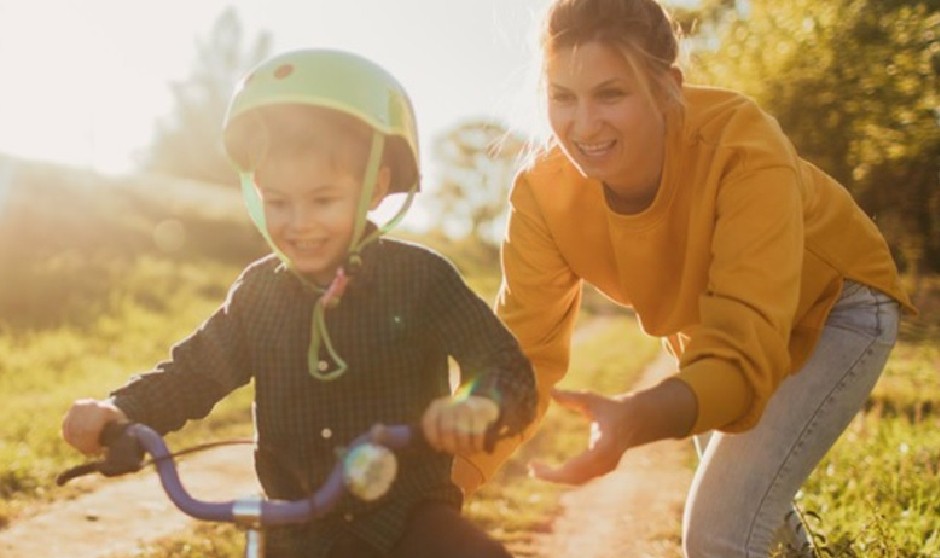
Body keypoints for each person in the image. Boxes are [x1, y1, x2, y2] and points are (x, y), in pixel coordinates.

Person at [453, 0, 918, 556]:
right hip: (713, 332)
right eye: (562, 97)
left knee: (717, 533)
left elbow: (744, 351)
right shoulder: (542, 193)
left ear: (666, 86)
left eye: (611, 93)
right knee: (741, 490)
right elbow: (520, 358)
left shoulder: (742, 145)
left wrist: (635, 419)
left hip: (836, 305)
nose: (583, 125)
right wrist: (436, 488)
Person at [60, 48, 536, 558]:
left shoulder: (421, 279)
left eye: (323, 200)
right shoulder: (259, 294)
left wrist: (479, 406)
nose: (298, 223)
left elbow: (505, 366)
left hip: (406, 520)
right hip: (296, 530)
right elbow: (195, 371)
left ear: (375, 188)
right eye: (278, 201)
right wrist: (121, 410)